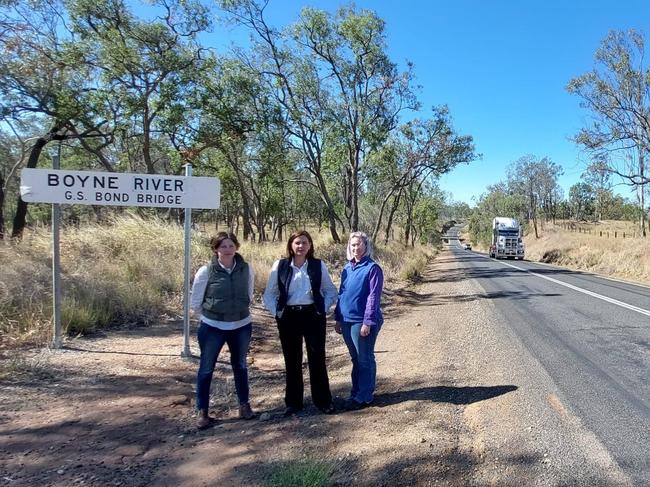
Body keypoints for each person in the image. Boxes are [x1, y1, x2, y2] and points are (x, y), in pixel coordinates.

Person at [263, 230, 338, 416]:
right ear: (290, 245)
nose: (301, 246)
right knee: (292, 360)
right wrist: (278, 313)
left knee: (317, 358)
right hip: (288, 317)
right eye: (297, 243)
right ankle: (293, 403)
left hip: (313, 316)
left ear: (310, 246)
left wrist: (323, 308)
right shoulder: (279, 266)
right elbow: (269, 294)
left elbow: (330, 290)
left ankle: (323, 401)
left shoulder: (317, 265)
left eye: (304, 243)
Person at [190, 232, 256, 429]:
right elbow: (196, 302)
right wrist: (212, 316)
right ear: (215, 249)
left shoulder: (246, 269)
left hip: (241, 325)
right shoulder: (206, 271)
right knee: (206, 368)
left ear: (236, 247)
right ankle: (202, 412)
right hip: (212, 327)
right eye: (223, 246)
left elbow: (249, 294)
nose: (227, 250)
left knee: (240, 366)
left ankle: (244, 406)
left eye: (231, 245)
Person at [334, 231, 384, 410]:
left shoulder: (372, 268)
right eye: (353, 245)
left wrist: (367, 322)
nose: (356, 248)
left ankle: (365, 396)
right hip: (347, 321)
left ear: (366, 246)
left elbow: (373, 297)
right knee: (355, 358)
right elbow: (342, 294)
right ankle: (356, 392)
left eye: (359, 244)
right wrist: (337, 318)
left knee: (365, 358)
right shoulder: (347, 268)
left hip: (362, 321)